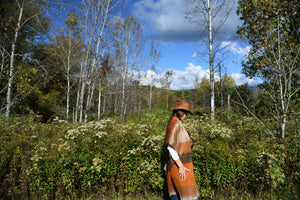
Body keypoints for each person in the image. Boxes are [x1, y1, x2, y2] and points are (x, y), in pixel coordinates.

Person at [164, 99, 199, 200]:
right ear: (182, 113)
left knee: (176, 196)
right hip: (179, 166)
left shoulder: (174, 122)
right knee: (188, 196)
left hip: (178, 164)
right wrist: (181, 166)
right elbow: (171, 148)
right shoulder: (176, 124)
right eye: (186, 113)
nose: (187, 116)